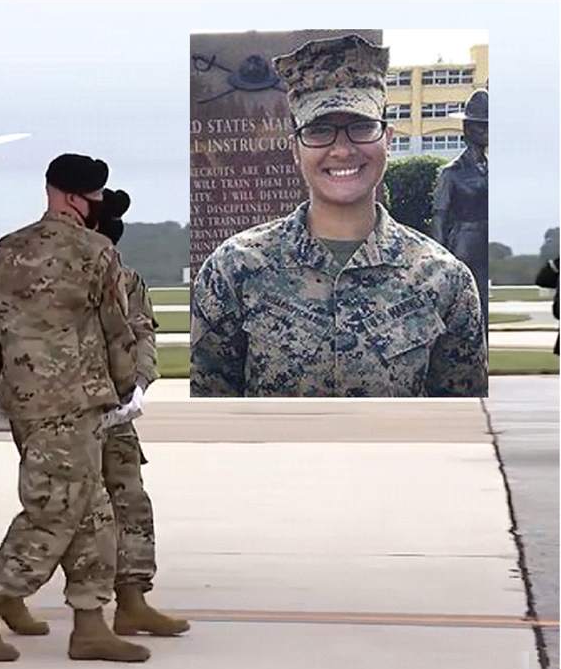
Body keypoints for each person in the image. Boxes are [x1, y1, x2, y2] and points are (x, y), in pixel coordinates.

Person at [191, 34, 487, 398]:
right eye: (319, 130)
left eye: (361, 126)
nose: (342, 150)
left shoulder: (445, 279)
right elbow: (211, 416)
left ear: (388, 139)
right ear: (295, 150)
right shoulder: (233, 270)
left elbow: (460, 421)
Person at [0, 153, 150, 663]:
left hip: (27, 404)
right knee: (54, 513)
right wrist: (126, 389)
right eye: (94, 197)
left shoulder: (6, 251)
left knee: (94, 515)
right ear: (71, 197)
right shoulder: (95, 251)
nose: (97, 205)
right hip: (74, 402)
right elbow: (117, 330)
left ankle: (90, 625)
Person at [91, 188, 190, 638]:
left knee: (130, 502)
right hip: (67, 411)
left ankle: (132, 600)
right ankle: (4, 596)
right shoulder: (55, 274)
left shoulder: (127, 280)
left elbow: (142, 332)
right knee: (63, 510)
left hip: (115, 413)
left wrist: (140, 383)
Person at [433, 89, 489, 323]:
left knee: (486, 308)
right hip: (466, 245)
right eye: (481, 126)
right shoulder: (452, 173)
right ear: (467, 128)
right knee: (468, 306)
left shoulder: (490, 168)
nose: (487, 131)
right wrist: (437, 262)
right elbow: (439, 218)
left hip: (488, 245)